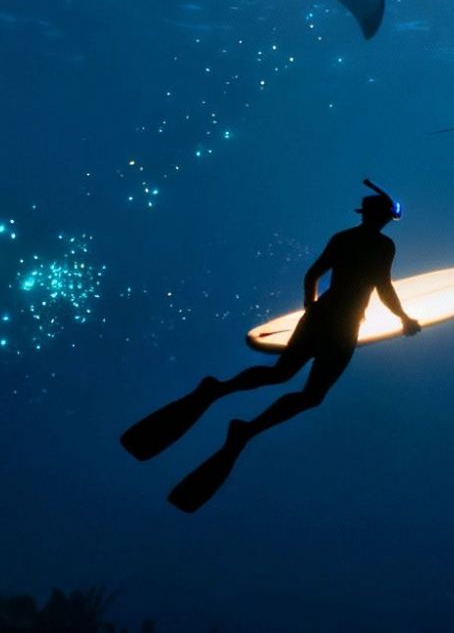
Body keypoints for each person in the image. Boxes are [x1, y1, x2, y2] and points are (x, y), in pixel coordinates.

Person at [120, 180, 420, 511]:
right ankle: (238, 421)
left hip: (329, 319)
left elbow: (313, 275)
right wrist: (403, 319)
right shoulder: (382, 247)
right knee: (306, 391)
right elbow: (382, 286)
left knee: (285, 377)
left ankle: (222, 397)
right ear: (379, 218)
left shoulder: (344, 238)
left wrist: (312, 309)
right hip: (341, 323)